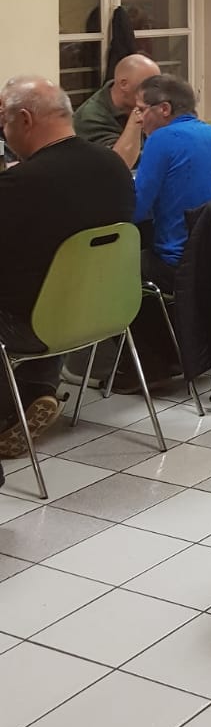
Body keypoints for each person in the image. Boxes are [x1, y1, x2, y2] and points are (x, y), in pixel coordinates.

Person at [0, 76, 135, 457]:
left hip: (35, 325)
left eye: (4, 122)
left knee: (26, 294)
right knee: (46, 283)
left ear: (25, 120)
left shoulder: (21, 184)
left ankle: (8, 412)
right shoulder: (114, 166)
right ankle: (36, 391)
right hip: (103, 313)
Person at [134, 75, 211, 288]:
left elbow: (137, 209)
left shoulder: (160, 140)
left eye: (141, 110)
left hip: (179, 264)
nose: (139, 119)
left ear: (164, 109)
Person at [73, 52, 160, 168]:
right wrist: (137, 119)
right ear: (124, 84)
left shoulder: (150, 104)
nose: (155, 93)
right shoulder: (90, 117)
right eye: (148, 86)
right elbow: (117, 165)